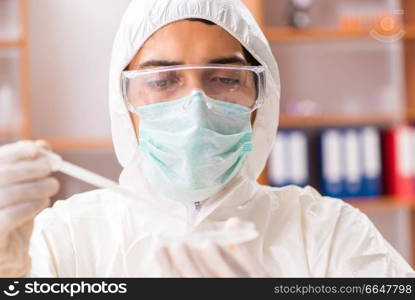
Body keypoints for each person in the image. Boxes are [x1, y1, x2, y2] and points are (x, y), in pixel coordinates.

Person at [0, 0, 414, 277]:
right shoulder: (66, 237)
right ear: (123, 103)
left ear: (261, 100)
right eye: (162, 81)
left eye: (225, 79)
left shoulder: (326, 233)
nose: (196, 107)